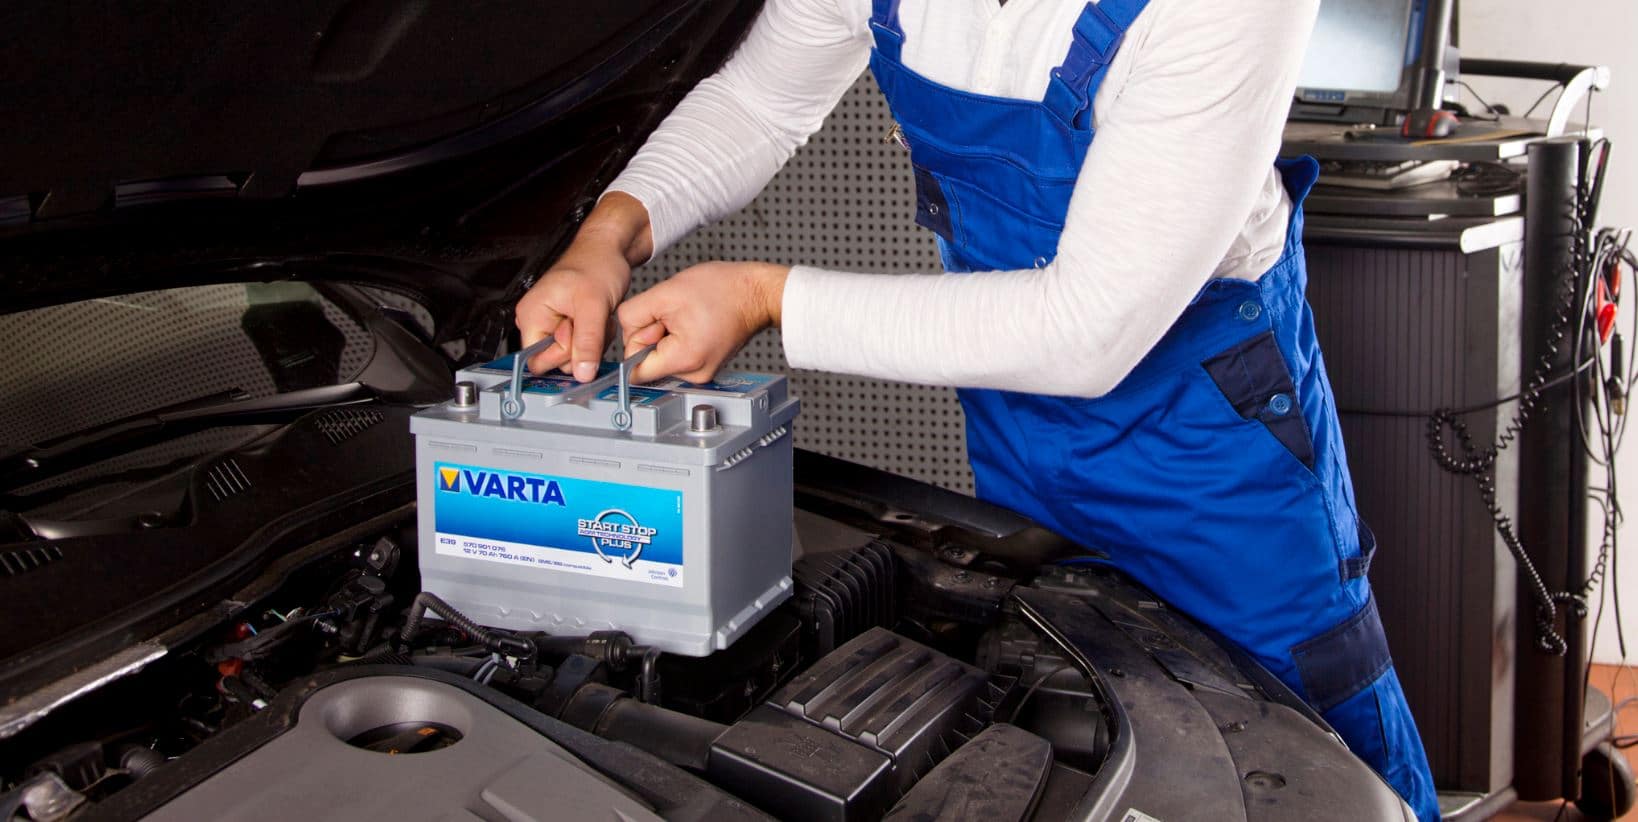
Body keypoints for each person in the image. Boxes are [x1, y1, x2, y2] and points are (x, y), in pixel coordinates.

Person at [514, 0, 1439, 816]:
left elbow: (1087, 329)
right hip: (1020, 426)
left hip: (1211, 448)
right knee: (1073, 734)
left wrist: (767, 297)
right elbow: (760, 102)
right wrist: (608, 237)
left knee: (1302, 758)